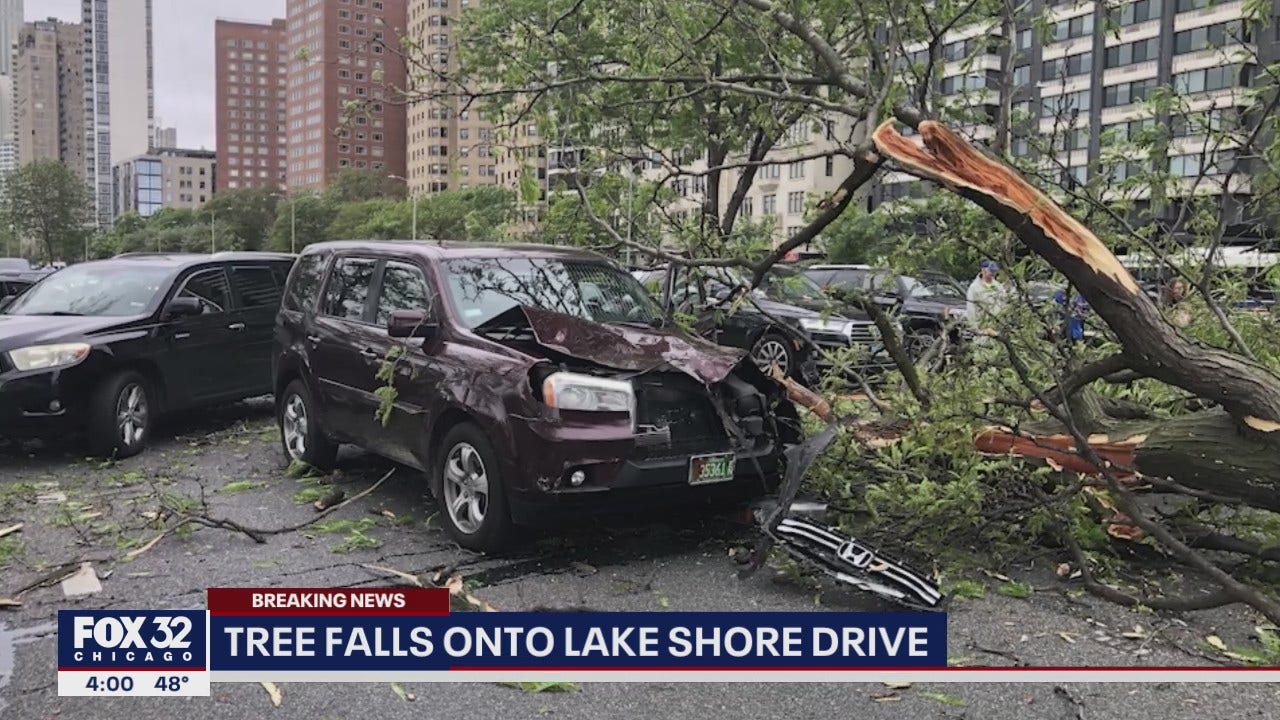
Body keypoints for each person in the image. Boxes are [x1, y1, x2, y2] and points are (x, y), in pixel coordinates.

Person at [966, 260, 1007, 336]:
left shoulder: (998, 286)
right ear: (983, 271)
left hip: (998, 329)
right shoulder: (974, 288)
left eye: (994, 271)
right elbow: (971, 310)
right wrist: (976, 330)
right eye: (991, 271)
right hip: (983, 330)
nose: (993, 273)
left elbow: (1004, 305)